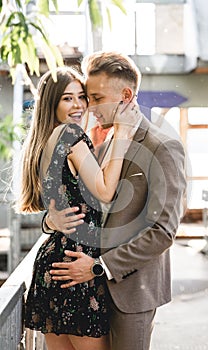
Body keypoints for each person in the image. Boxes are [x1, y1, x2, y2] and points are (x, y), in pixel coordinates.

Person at [42, 52, 187, 350]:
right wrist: (50, 221)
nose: (89, 107)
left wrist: (99, 267)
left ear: (125, 96)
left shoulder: (164, 147)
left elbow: (162, 231)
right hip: (86, 289)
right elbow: (81, 206)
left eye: (95, 98)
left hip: (130, 291)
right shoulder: (105, 144)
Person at [17, 65, 138, 350]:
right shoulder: (70, 134)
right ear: (52, 103)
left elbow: (62, 204)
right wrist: (121, 132)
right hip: (76, 263)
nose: (79, 105)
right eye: (67, 98)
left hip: (55, 260)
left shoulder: (43, 141)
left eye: (81, 96)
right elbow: (106, 192)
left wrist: (50, 222)